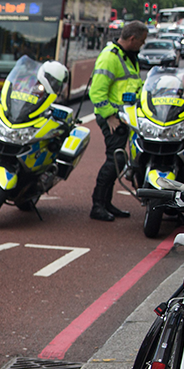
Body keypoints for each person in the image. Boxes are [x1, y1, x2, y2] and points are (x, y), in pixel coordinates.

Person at [89, 20, 147, 221]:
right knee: (116, 159)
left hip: (124, 116)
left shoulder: (127, 55)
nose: (142, 45)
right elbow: (96, 92)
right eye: (141, 41)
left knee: (118, 159)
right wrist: (111, 116)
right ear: (132, 39)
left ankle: (106, 203)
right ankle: (97, 205)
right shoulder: (110, 57)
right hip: (113, 117)